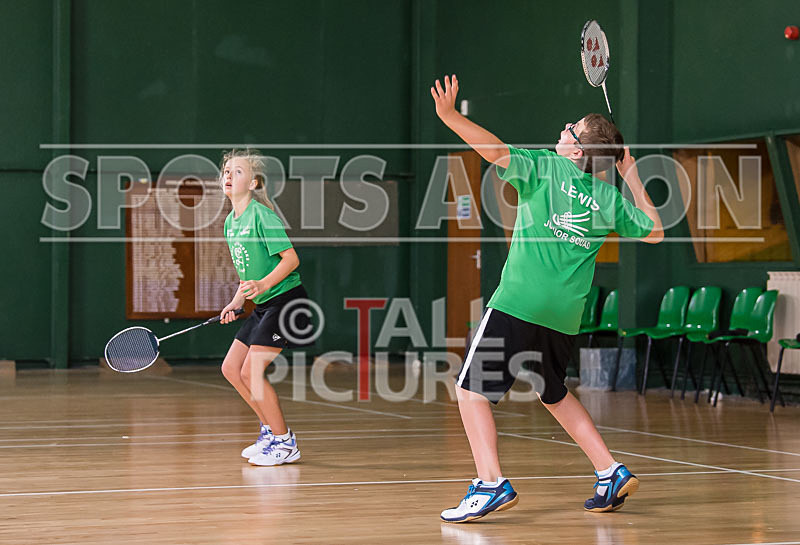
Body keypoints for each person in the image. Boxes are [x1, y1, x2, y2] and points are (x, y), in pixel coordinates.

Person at [430, 75, 664, 523]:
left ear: (577, 151)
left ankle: (490, 483)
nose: (563, 129)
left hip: (519, 303)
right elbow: (655, 231)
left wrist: (451, 116)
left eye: (571, 129)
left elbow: (494, 152)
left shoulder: (545, 167)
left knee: (470, 391)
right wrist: (631, 174)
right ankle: (609, 471)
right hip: (563, 316)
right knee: (553, 393)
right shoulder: (608, 198)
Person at [219, 148, 310, 466]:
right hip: (262, 305)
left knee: (252, 371)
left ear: (253, 183)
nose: (229, 176)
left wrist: (263, 285)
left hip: (286, 301)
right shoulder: (230, 223)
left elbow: (291, 259)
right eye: (226, 171)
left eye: (237, 171)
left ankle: (285, 443)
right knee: (231, 369)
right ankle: (270, 431)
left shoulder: (262, 216)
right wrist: (237, 301)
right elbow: (248, 272)